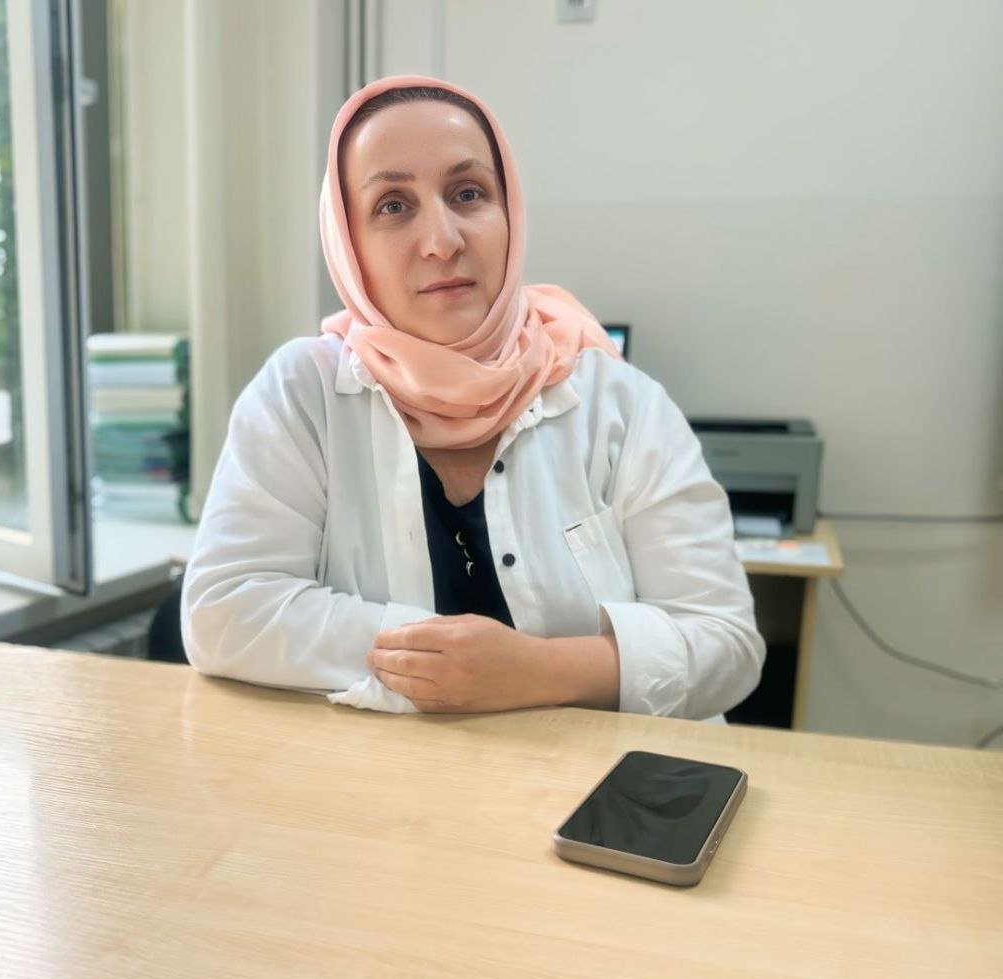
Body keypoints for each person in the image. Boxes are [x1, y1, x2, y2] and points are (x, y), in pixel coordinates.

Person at [181, 75, 764, 719]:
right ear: (349, 244)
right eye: (393, 206)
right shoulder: (303, 394)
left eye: (468, 193)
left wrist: (531, 671)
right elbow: (224, 613)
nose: (443, 240)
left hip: (602, 774)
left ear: (509, 214)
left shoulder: (621, 403)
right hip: (381, 776)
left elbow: (726, 643)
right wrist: (448, 667)